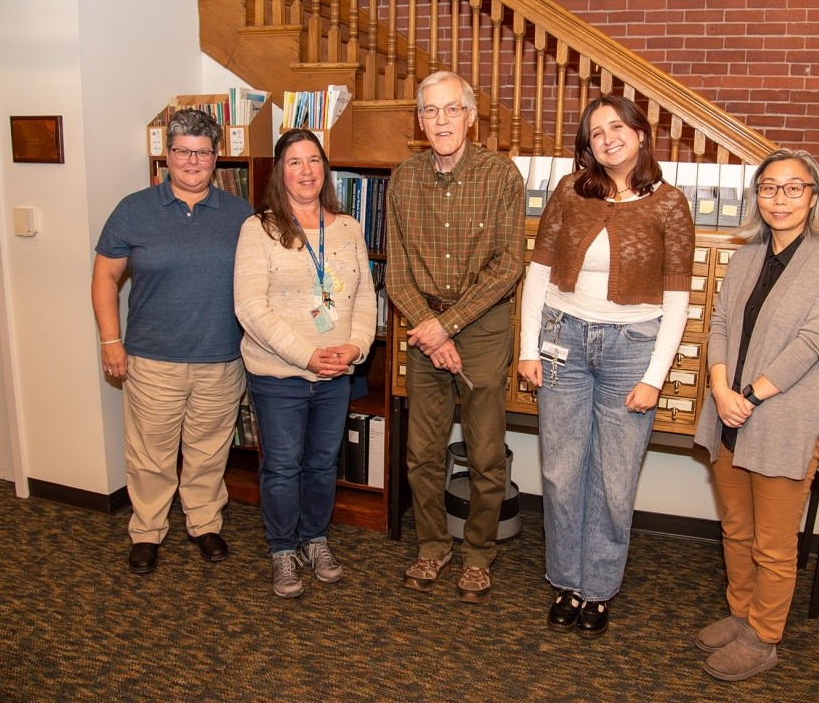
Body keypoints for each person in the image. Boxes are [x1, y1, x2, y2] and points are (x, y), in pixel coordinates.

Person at [518, 94, 695, 638]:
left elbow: (679, 299)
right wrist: (528, 347)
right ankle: (567, 582)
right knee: (561, 470)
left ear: (641, 134)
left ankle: (598, 589)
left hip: (631, 349)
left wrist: (654, 377)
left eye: (617, 126)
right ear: (587, 145)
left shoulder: (670, 205)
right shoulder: (570, 193)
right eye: (595, 132)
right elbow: (540, 273)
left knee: (615, 480)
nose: (607, 138)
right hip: (562, 339)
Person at [693, 148, 819, 681]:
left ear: (814, 198)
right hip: (728, 412)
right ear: (756, 197)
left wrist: (751, 396)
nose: (779, 199)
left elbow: (813, 341)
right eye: (768, 188)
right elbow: (718, 325)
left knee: (773, 542)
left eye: (793, 188)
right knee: (736, 530)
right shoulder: (745, 257)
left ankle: (764, 637)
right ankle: (740, 613)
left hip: (780, 417)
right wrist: (721, 389)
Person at [92, 108, 254, 574]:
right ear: (167, 155)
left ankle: (204, 524)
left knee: (208, 451)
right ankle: (147, 531)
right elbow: (104, 276)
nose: (192, 161)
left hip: (220, 359)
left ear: (216, 159)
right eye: (183, 151)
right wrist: (110, 340)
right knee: (151, 454)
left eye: (202, 153)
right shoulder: (134, 209)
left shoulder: (241, 216)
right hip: (152, 358)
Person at [386, 70, 526, 604]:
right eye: (429, 111)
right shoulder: (404, 179)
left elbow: (509, 265)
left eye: (451, 109)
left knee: (485, 452)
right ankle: (432, 546)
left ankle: (477, 554)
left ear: (470, 116)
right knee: (422, 452)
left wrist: (450, 324)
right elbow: (397, 273)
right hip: (424, 325)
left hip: (483, 325)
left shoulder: (500, 176)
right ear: (419, 120)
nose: (440, 120)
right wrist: (432, 328)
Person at [234, 129, 376, 598]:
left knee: (320, 464)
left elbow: (364, 300)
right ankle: (281, 550)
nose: (306, 170)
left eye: (313, 160)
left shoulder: (349, 228)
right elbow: (251, 309)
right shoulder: (259, 229)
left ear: (324, 168)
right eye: (294, 162)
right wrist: (307, 355)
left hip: (336, 373)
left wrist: (354, 348)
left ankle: (315, 540)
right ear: (280, 171)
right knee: (281, 467)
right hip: (279, 375)